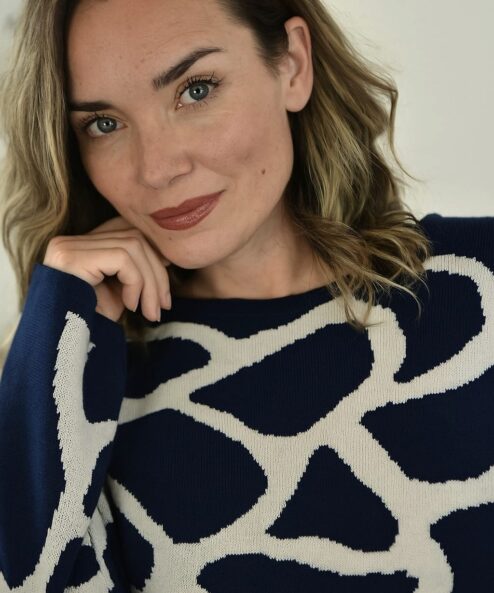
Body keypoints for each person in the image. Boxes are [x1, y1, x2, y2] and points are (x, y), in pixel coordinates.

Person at [0, 0, 493, 591]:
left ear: (293, 64)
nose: (156, 168)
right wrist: (56, 335)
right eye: (103, 124)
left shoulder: (479, 284)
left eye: (196, 90)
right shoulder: (86, 381)